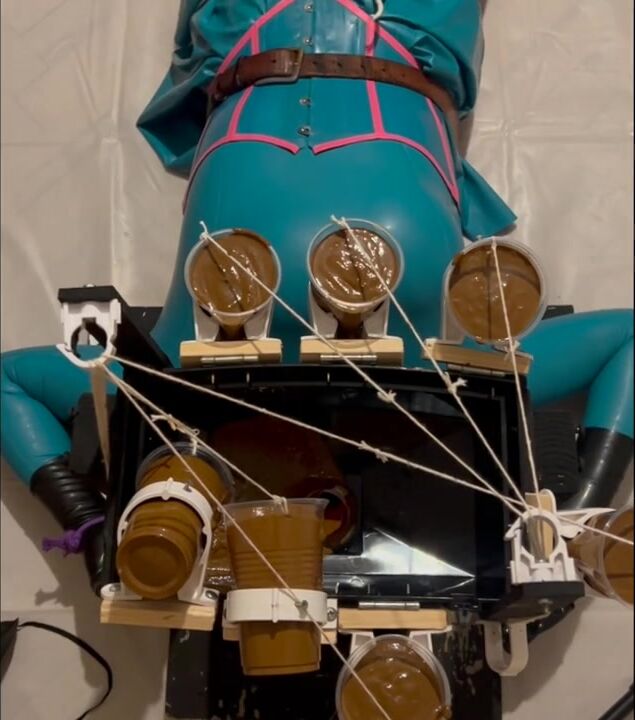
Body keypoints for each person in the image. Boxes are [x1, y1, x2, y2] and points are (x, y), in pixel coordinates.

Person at [1, 0, 632, 591]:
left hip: (341, 183)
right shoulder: (175, 378)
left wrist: (576, 521)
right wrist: (92, 525)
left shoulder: (444, 366)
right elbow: (11, 383)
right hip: (286, 199)